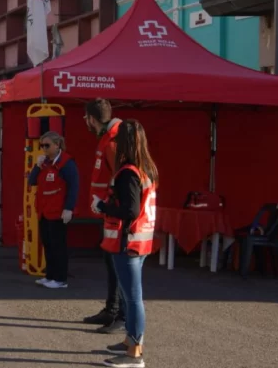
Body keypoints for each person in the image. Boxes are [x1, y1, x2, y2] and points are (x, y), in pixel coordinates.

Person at [94, 119, 157, 368]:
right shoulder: (146, 169)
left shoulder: (128, 172)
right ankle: (130, 342)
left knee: (132, 299)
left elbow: (129, 210)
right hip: (140, 242)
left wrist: (102, 206)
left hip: (127, 242)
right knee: (133, 297)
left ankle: (134, 354)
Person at [82, 98, 127, 335]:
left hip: (115, 213)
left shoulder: (113, 141)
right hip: (108, 212)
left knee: (117, 264)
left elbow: (123, 178)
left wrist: (107, 203)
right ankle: (112, 308)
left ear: (91, 118)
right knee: (110, 262)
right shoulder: (109, 138)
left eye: (86, 119)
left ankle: (121, 314)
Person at [27, 131, 80, 289]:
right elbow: (32, 181)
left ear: (57, 145)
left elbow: (73, 186)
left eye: (47, 145)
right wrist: (37, 166)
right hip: (44, 210)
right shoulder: (45, 163)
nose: (44, 148)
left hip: (58, 211)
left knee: (58, 245)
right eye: (41, 145)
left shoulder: (66, 163)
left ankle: (60, 278)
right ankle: (50, 275)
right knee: (48, 244)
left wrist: (69, 208)